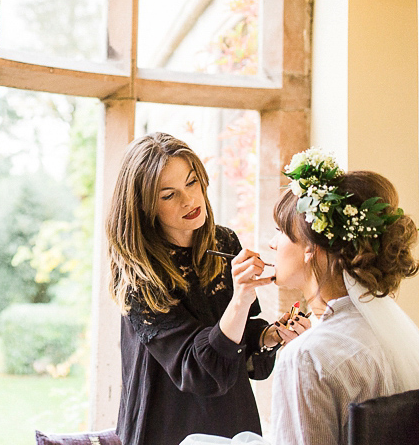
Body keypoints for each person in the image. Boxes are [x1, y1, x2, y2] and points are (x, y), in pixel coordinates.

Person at [182, 147, 419, 445]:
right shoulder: (385, 331)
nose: (271, 244)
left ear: (310, 247)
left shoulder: (307, 357)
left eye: (281, 232)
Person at [107, 133, 307, 445]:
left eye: (191, 182)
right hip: (167, 425)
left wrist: (270, 336)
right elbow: (197, 368)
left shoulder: (224, 241)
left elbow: (236, 338)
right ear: (145, 206)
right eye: (169, 195)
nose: (189, 200)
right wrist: (241, 296)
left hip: (232, 420)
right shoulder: (138, 276)